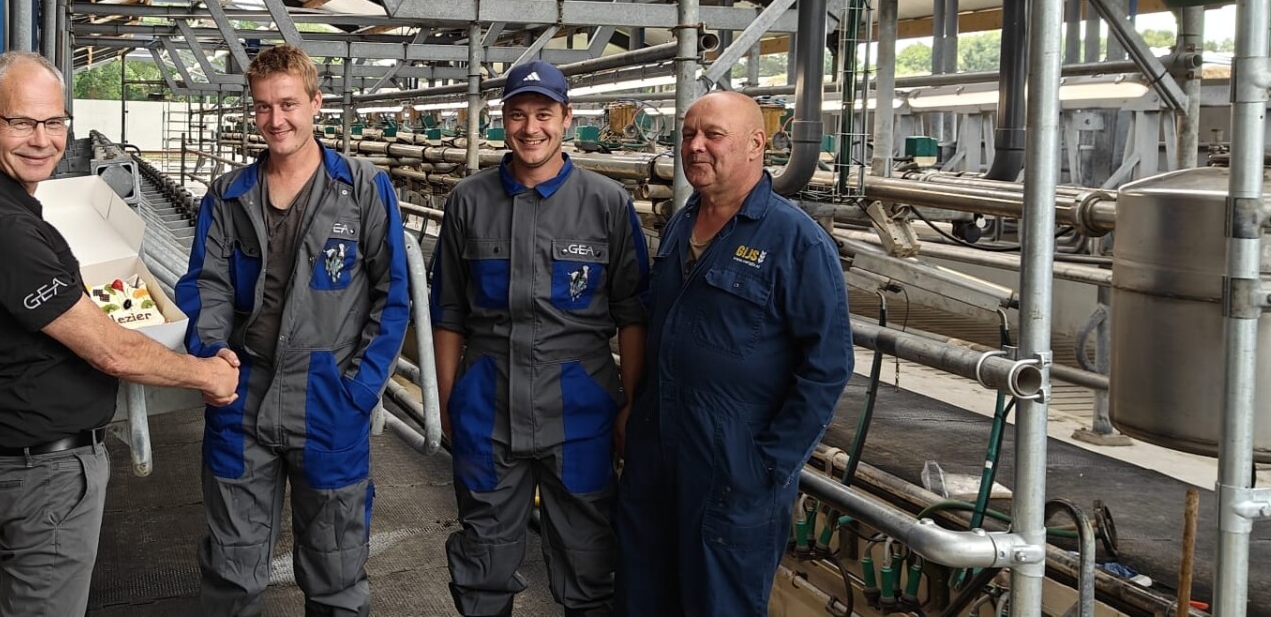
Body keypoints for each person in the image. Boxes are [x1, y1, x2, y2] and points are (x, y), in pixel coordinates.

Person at [0, 51, 243, 616]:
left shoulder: (0, 201)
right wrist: (208, 375)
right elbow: (111, 351)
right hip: (44, 473)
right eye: (21, 122)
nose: (42, 140)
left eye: (54, 122)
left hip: (31, 462)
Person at [177, 43, 411, 617]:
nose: (275, 120)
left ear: (315, 103)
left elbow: (393, 295)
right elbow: (207, 283)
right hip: (242, 392)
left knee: (336, 569)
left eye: (287, 104)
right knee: (232, 570)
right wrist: (212, 355)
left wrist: (360, 390)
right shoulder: (230, 194)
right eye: (263, 106)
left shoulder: (363, 187)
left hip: (328, 397)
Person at [614, 90, 853, 616]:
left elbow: (828, 366)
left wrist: (766, 465)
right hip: (657, 458)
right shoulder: (681, 224)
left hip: (732, 471)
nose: (695, 146)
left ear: (755, 144)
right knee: (641, 598)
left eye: (713, 135)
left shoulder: (797, 242)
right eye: (688, 135)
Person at [431, 60, 649, 617]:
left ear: (567, 118)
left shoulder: (607, 203)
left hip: (580, 412)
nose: (531, 128)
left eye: (544, 114)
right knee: (484, 558)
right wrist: (449, 401)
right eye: (518, 114)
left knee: (590, 560)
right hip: (488, 406)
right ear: (502, 119)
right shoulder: (468, 201)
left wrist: (631, 405)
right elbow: (449, 313)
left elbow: (632, 315)